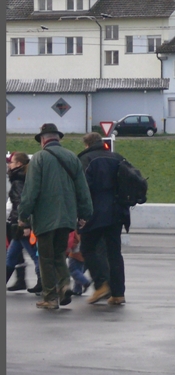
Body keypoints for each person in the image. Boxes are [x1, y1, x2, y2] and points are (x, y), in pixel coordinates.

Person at [17, 124, 93, 310]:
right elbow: (83, 189)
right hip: (67, 218)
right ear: (58, 138)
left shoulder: (39, 159)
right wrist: (85, 213)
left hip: (45, 218)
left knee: (45, 257)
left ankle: (50, 297)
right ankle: (65, 285)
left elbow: (31, 191)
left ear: (43, 140)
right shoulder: (72, 158)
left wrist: (23, 215)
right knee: (59, 254)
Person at [77, 131, 130, 306]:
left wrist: (80, 214)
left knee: (88, 248)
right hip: (117, 212)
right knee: (114, 253)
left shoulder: (86, 160)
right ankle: (118, 294)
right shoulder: (117, 157)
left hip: (95, 213)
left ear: (87, 144)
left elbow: (82, 189)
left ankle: (101, 285)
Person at [6, 152, 41, 294]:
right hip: (19, 223)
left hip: (21, 224)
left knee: (34, 255)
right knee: (11, 255)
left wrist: (25, 224)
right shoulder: (25, 177)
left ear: (19, 164)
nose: (9, 165)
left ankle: (44, 284)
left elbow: (21, 203)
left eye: (11, 162)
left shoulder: (19, 180)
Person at [66, 229, 91, 295]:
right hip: (83, 252)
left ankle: (85, 282)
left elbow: (71, 241)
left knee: (73, 270)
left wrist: (67, 250)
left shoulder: (75, 228)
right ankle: (77, 289)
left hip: (75, 253)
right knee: (79, 270)